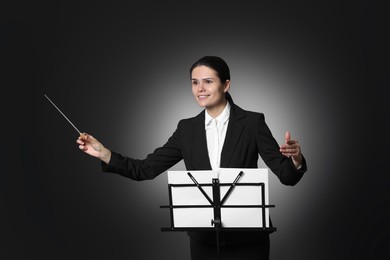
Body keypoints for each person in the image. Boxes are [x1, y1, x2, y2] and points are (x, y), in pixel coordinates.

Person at [76, 56, 307, 260]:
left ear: (226, 85)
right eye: (195, 82)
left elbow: (287, 176)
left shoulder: (252, 123)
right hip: (203, 243)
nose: (200, 89)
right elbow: (146, 169)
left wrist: (296, 159)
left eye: (208, 81)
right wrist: (104, 153)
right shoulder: (186, 129)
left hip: (248, 241)